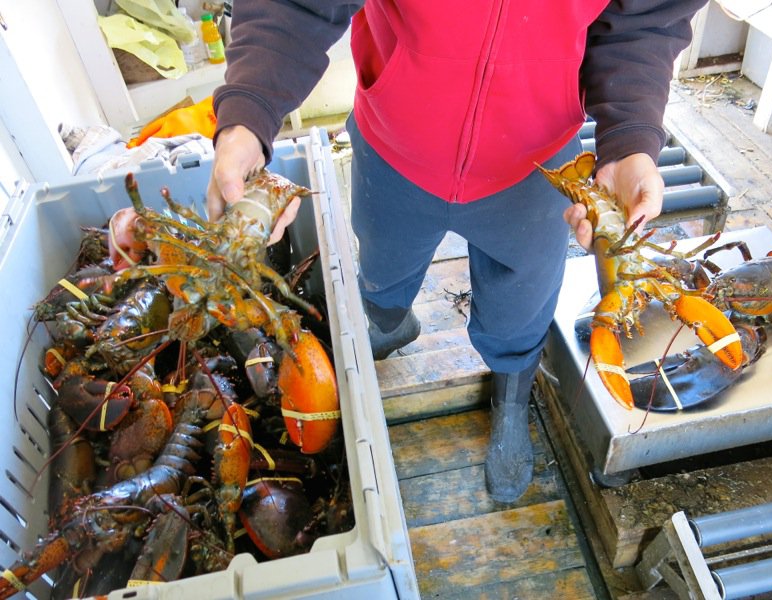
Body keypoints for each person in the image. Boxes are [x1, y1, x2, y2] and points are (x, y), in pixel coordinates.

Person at [206, 0, 707, 503]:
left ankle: (511, 397)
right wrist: (250, 111)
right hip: (395, 149)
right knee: (381, 264)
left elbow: (646, 18)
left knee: (521, 303)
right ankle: (389, 321)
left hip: (534, 167)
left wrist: (631, 140)